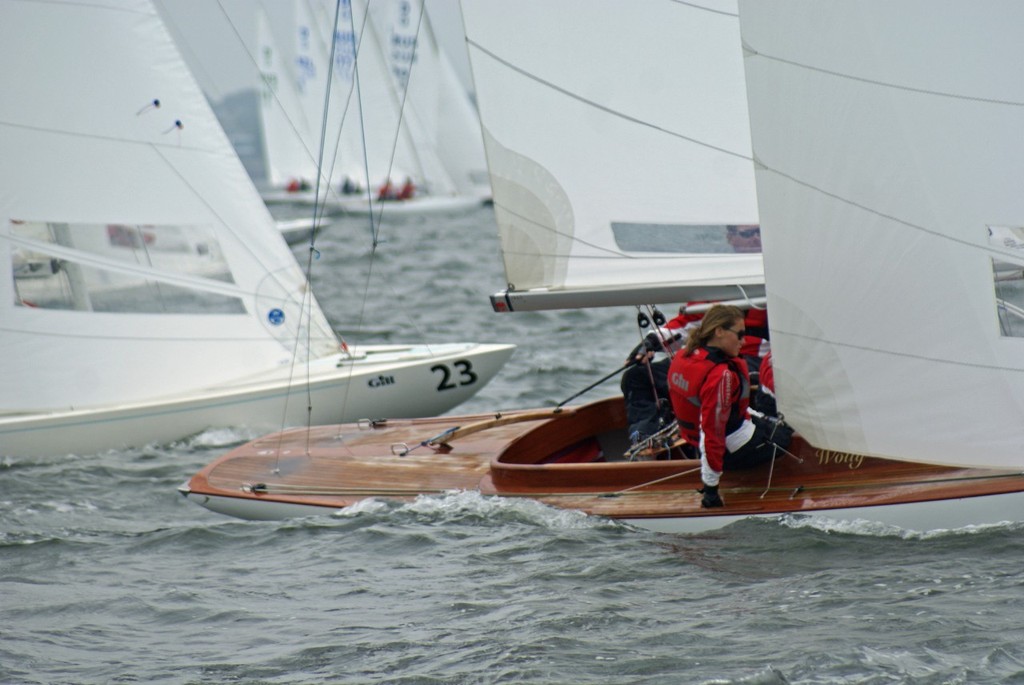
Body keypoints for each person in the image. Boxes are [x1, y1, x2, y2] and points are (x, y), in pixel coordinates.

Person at [667, 304, 791, 508]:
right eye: (740, 334)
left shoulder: (684, 355)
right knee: (785, 436)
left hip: (697, 440)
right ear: (719, 331)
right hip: (732, 449)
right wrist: (710, 489)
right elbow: (712, 431)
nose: (744, 341)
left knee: (766, 421)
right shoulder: (720, 375)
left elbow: (725, 412)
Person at [620, 304, 703, 445]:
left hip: (744, 360)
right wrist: (650, 342)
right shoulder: (709, 295)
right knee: (635, 376)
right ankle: (644, 437)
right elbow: (688, 325)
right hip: (699, 357)